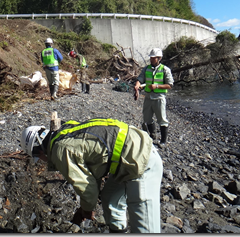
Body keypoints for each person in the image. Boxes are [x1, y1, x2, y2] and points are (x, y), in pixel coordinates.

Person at [20, 118, 163, 233]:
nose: (42, 161)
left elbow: (88, 189)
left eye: (38, 157)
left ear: (38, 151)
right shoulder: (65, 130)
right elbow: (93, 162)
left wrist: (86, 210)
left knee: (145, 229)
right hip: (127, 155)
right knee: (110, 200)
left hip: (141, 160)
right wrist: (85, 208)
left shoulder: (60, 150)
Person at [134, 48, 174, 146]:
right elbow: (140, 79)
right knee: (147, 118)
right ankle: (152, 135)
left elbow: (170, 85)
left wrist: (156, 86)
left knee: (162, 120)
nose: (151, 59)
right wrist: (137, 85)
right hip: (148, 97)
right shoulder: (146, 68)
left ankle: (163, 141)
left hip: (159, 98)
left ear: (159, 58)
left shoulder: (165, 69)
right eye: (151, 58)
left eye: (153, 58)